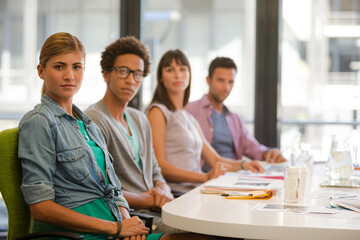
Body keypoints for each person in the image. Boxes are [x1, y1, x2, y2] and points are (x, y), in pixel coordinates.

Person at [18, 32, 169, 240]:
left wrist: (126, 224)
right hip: (81, 235)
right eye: (59, 66)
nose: (69, 75)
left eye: (76, 67)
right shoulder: (39, 122)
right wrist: (115, 228)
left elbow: (114, 191)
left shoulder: (88, 125)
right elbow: (40, 208)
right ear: (41, 71)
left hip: (112, 229)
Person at [85, 36, 182, 234]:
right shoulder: (94, 119)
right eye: (123, 71)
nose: (131, 80)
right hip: (127, 215)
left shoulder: (139, 118)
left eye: (138, 74)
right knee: (195, 234)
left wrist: (162, 187)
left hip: (155, 209)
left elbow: (154, 168)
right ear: (106, 74)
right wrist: (150, 199)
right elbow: (99, 187)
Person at [147, 50, 264, 193]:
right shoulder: (158, 112)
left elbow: (215, 160)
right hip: (177, 193)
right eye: (170, 70)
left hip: (197, 190)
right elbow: (159, 166)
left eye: (183, 69)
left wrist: (244, 165)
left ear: (189, 75)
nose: (177, 75)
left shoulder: (188, 117)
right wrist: (204, 177)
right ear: (160, 77)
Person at [185, 57, 286, 172]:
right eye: (221, 80)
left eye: (230, 82)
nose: (226, 88)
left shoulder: (234, 119)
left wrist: (268, 153)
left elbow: (252, 147)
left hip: (232, 177)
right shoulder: (189, 111)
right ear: (208, 80)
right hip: (202, 178)